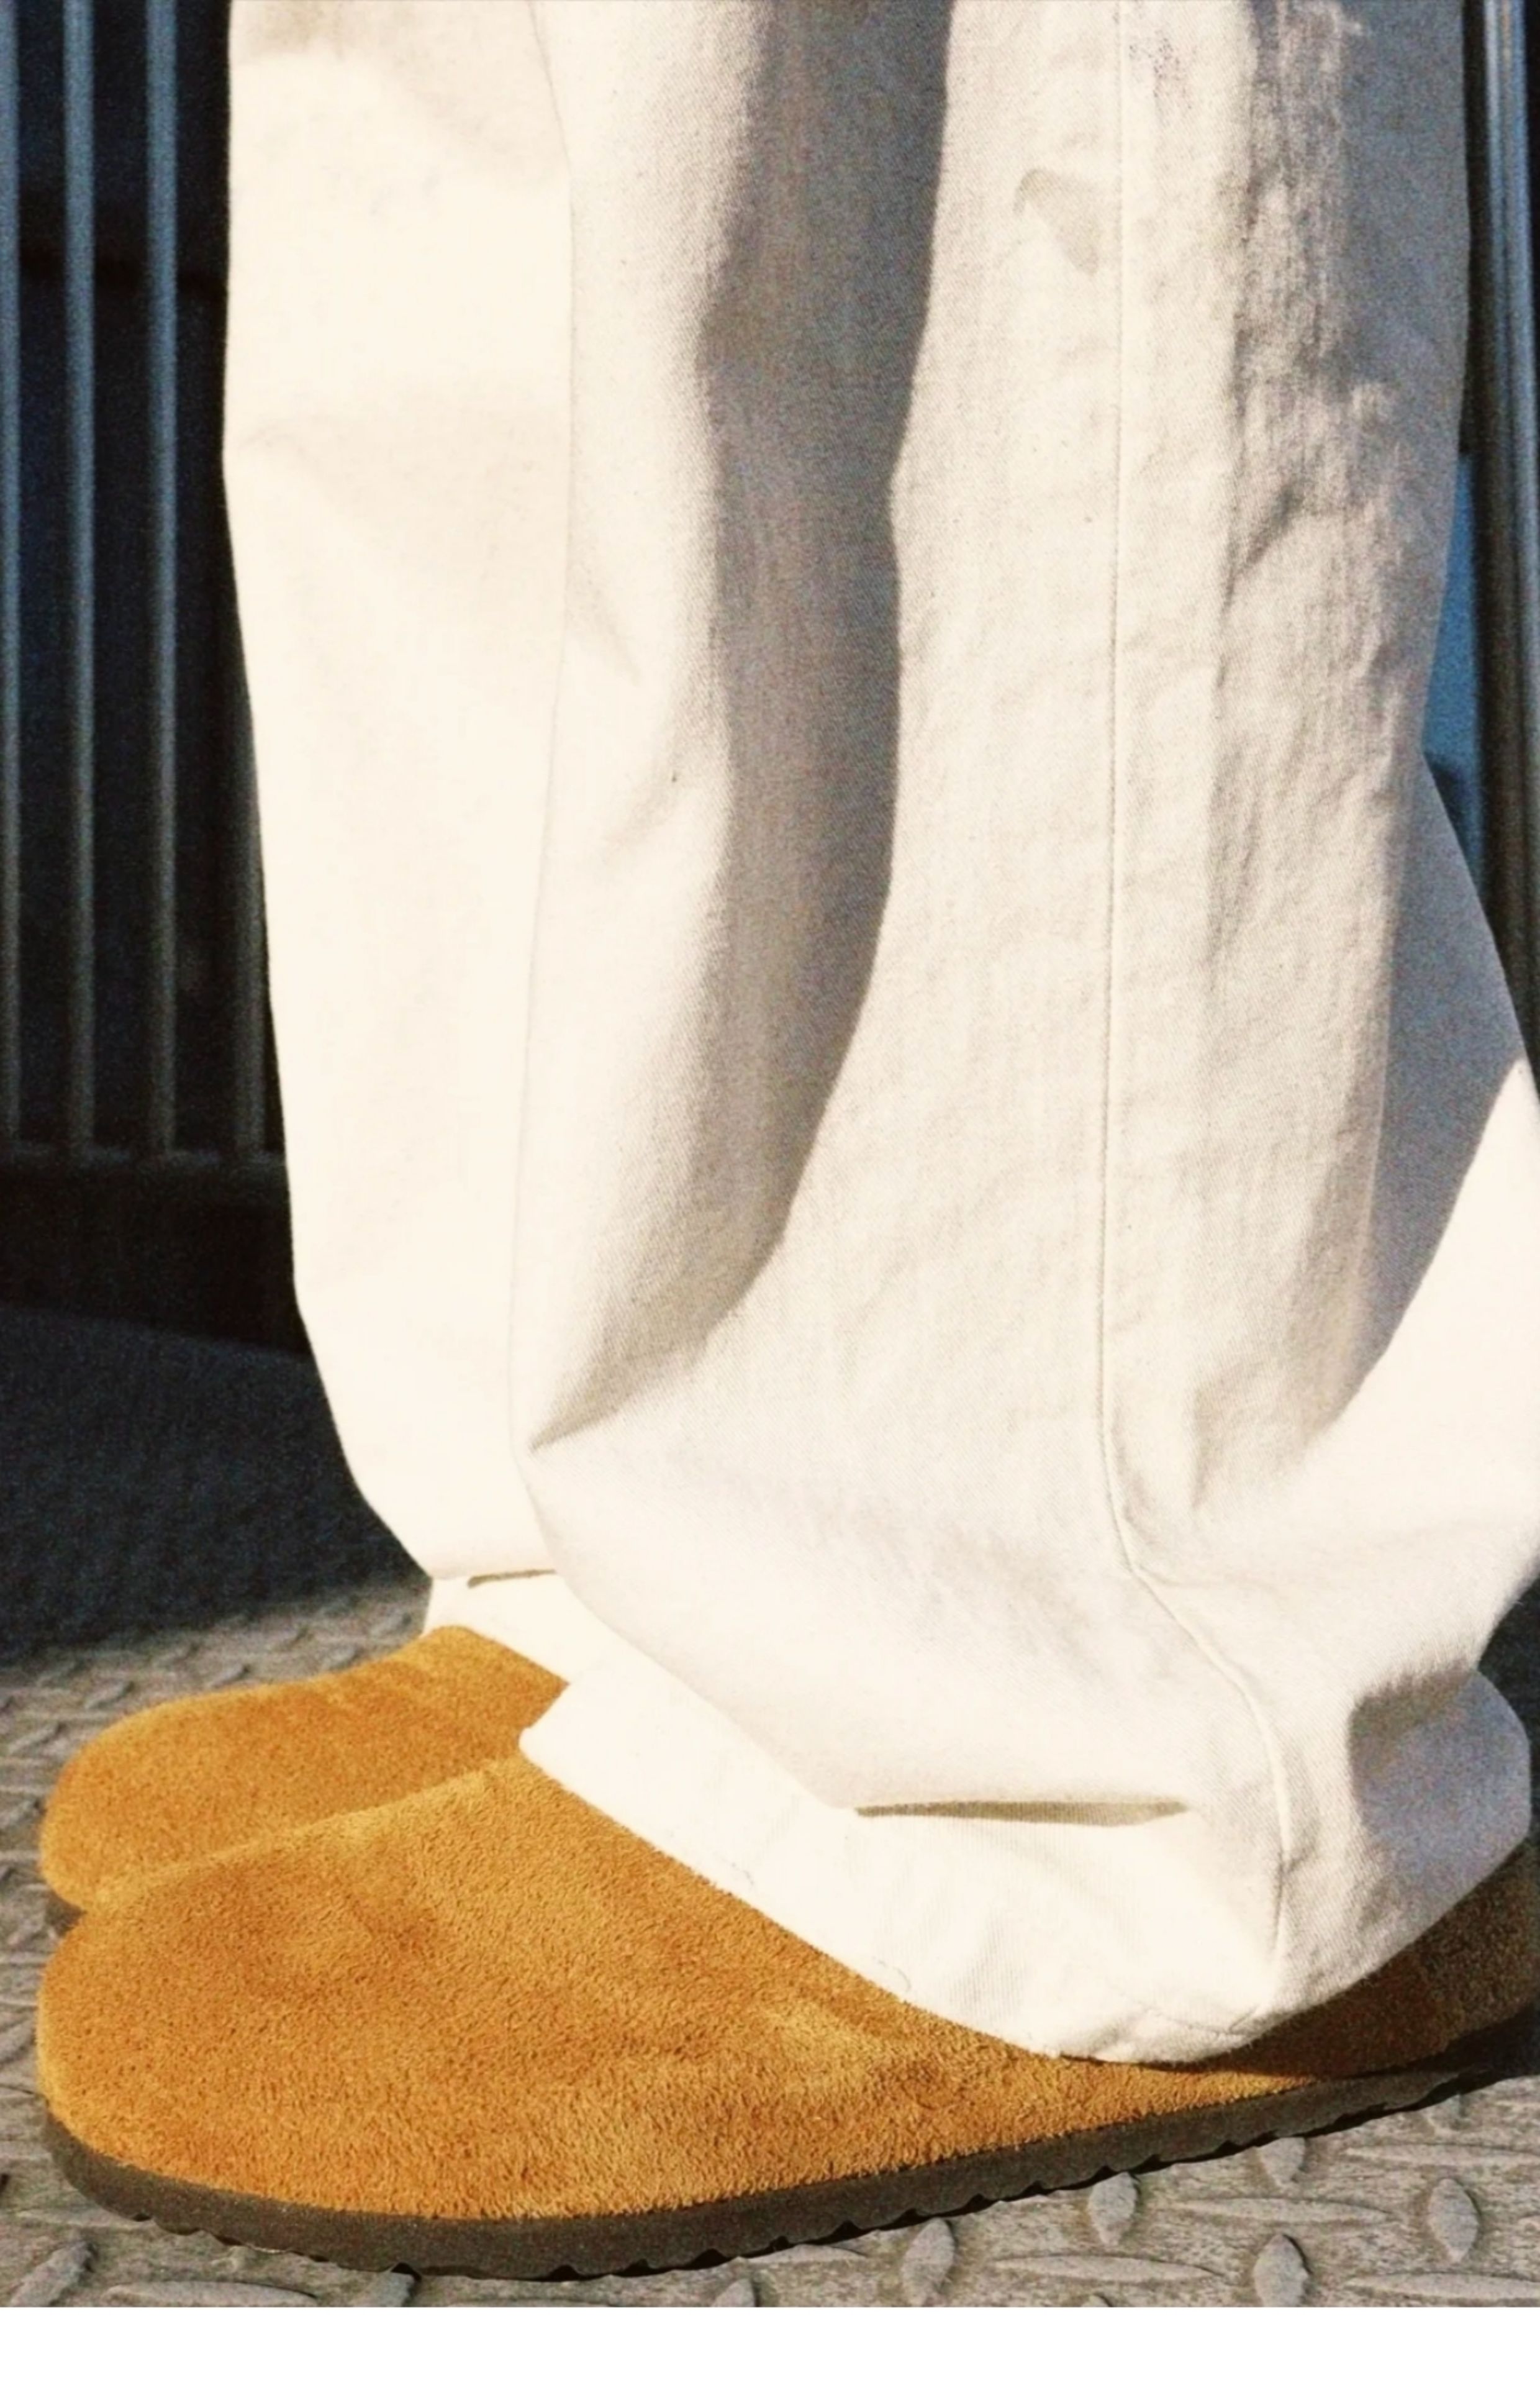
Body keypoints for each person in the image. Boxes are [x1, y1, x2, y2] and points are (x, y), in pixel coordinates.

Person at [33, 0, 1540, 2278]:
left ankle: (1093, 1755)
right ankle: (620, 1584)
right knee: (519, 166)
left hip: (1110, 1762)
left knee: (930, 96)